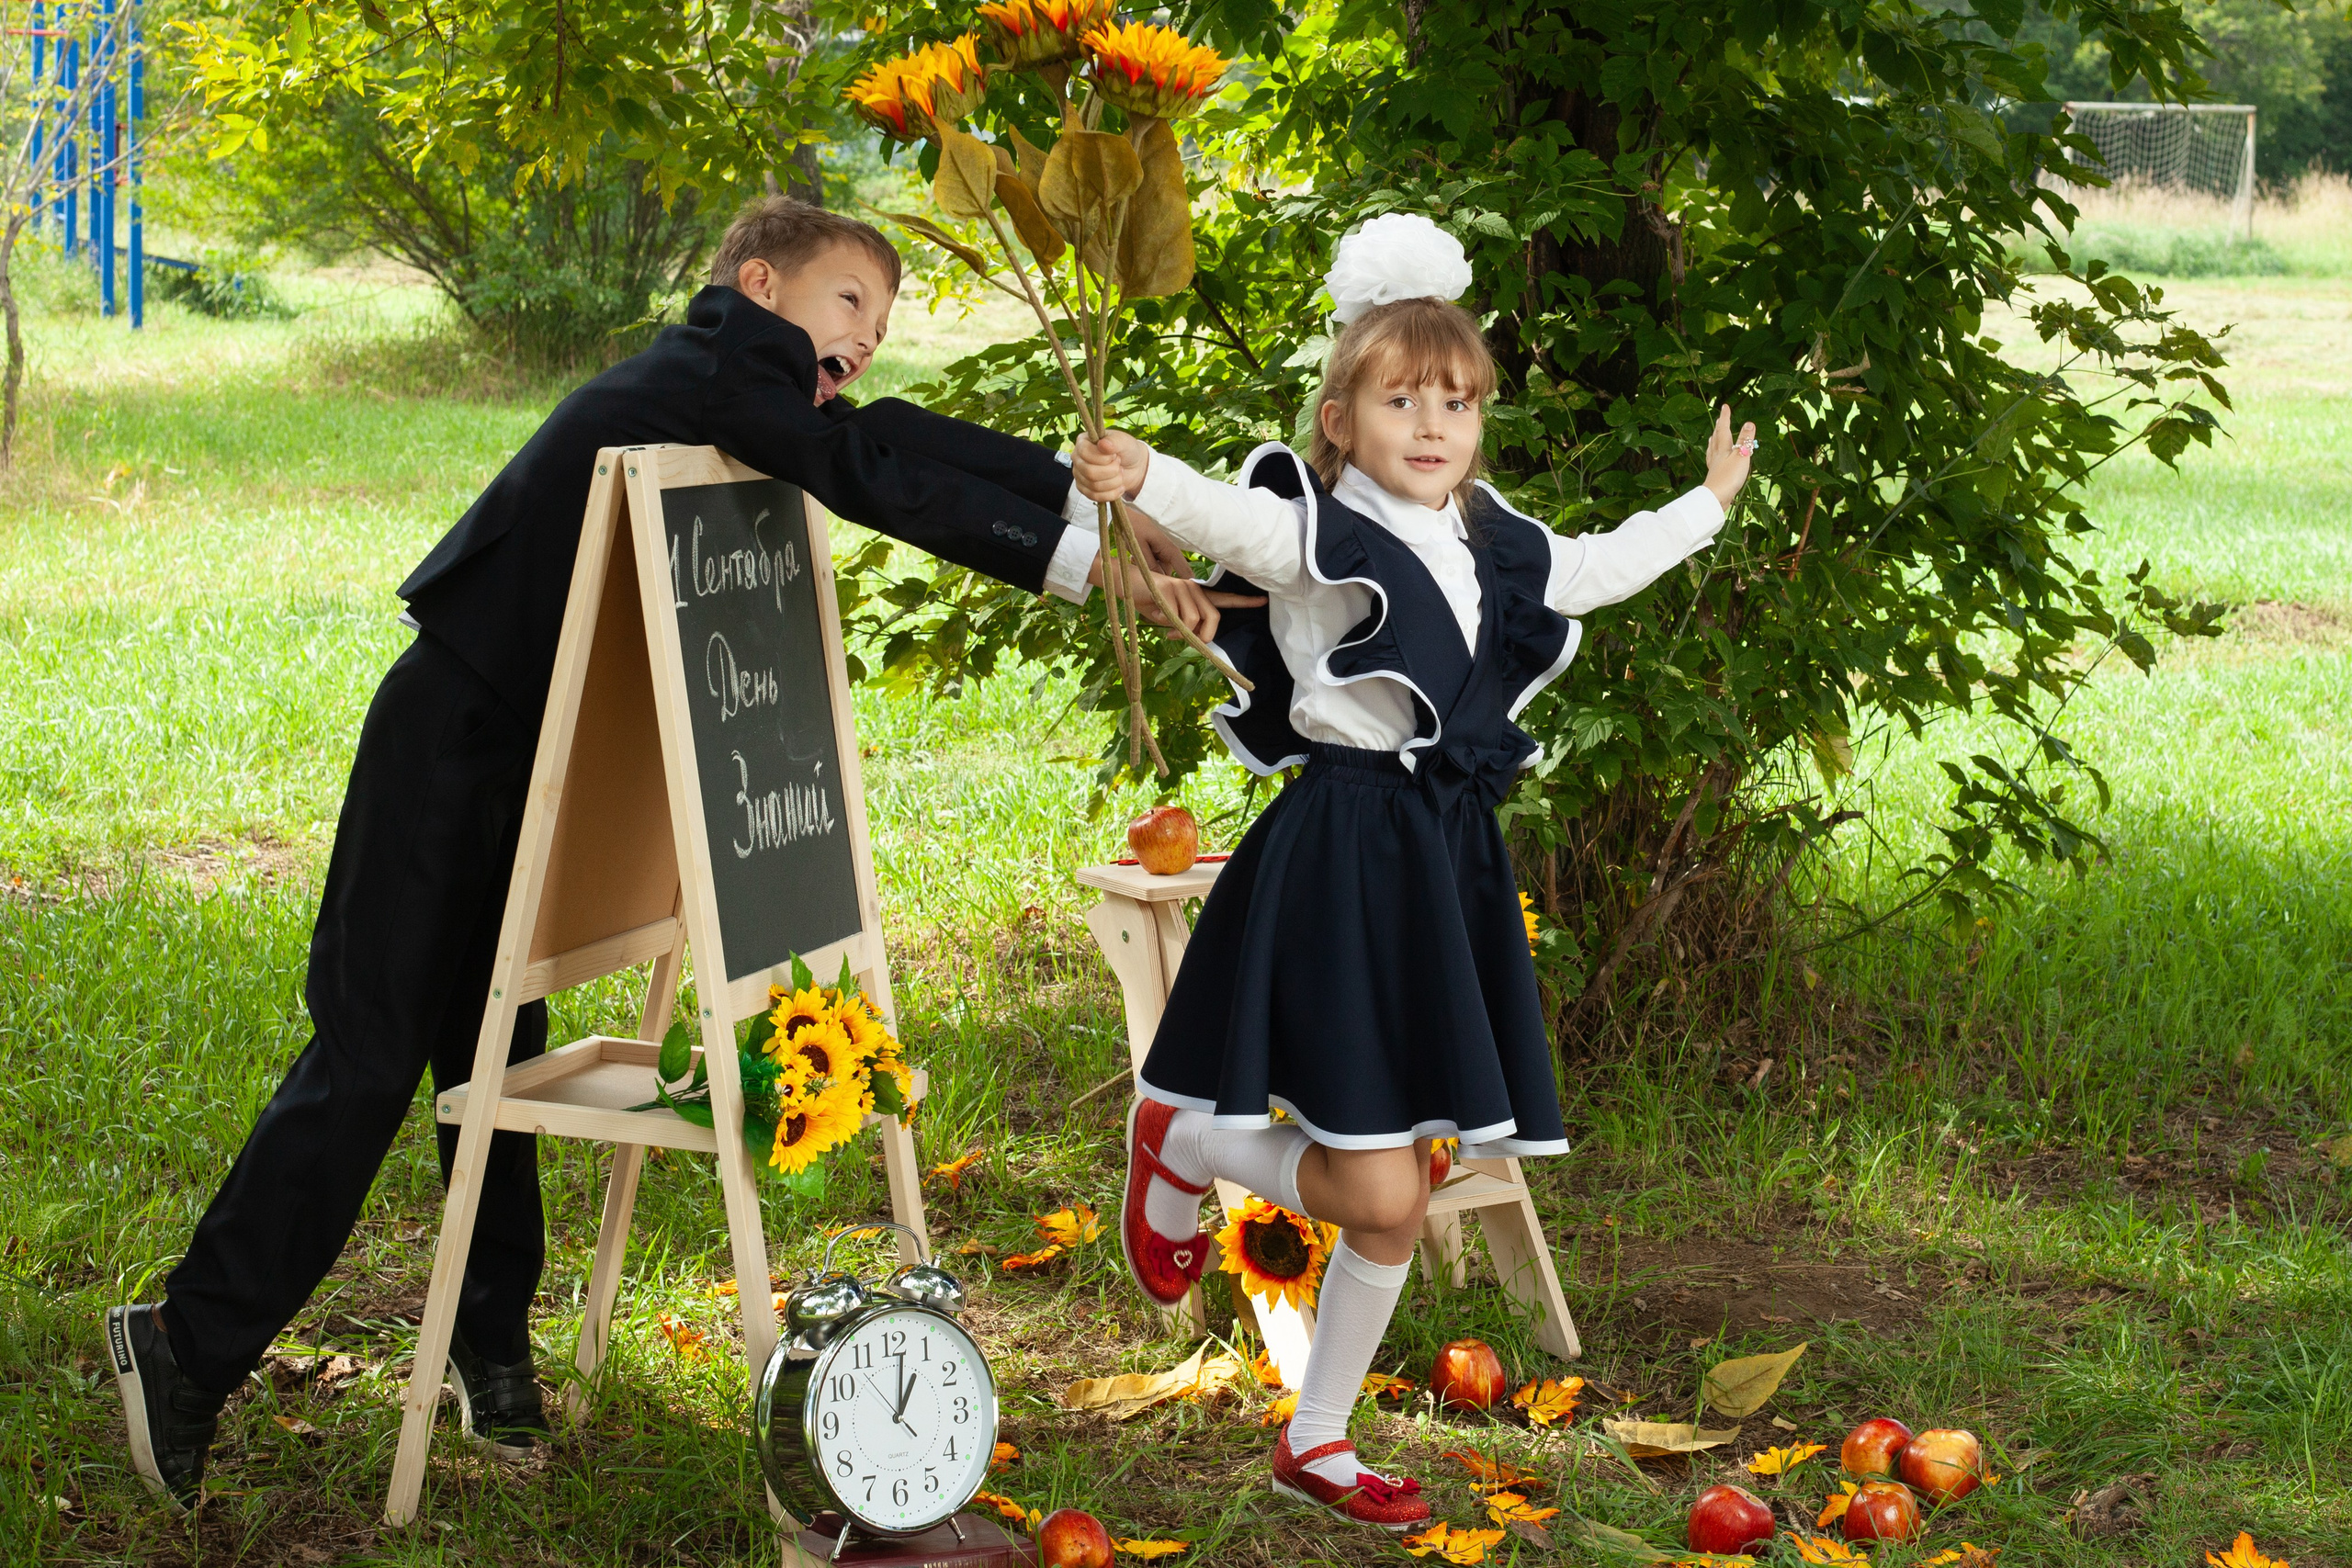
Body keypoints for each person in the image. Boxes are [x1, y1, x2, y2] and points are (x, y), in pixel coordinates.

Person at [105, 197, 1239, 1512]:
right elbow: (863, 471)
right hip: (449, 733)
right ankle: (185, 1343)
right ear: (757, 284)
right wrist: (1086, 561)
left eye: (881, 316)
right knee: (367, 1054)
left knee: (501, 1053)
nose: (866, 337)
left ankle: (487, 1343)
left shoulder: (755, 386)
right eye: (849, 303)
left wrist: (1087, 503)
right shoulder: (723, 362)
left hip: (534, 754)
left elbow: (888, 437)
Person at [1077, 212, 1757, 1530]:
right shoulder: (1316, 531)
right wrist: (1143, 470)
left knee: (1393, 1198)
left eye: (1457, 401)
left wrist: (1707, 507)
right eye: (1402, 400)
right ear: (1344, 417)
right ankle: (1186, 1133)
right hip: (1343, 857)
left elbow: (1600, 568)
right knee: (1384, 1184)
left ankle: (1316, 1438)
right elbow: (1231, 521)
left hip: (1442, 861)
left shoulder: (1492, 536)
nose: (1434, 423)